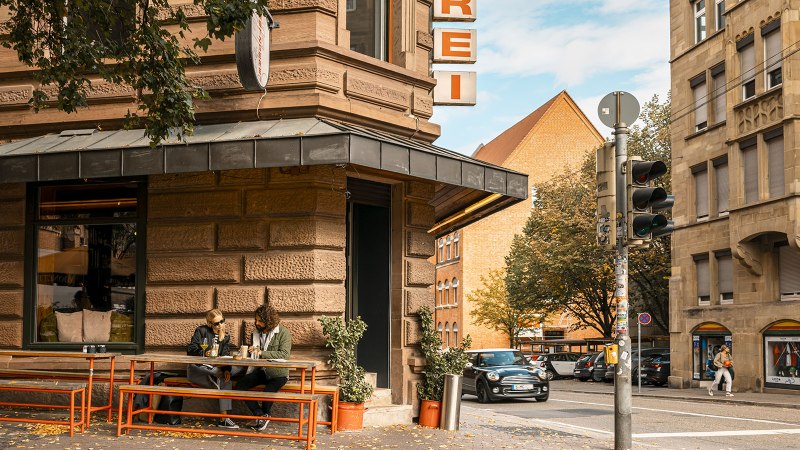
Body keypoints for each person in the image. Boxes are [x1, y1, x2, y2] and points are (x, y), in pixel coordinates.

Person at [235, 303, 292, 431]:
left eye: (260, 320)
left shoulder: (283, 333)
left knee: (267, 393)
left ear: (268, 320)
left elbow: (284, 354)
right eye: (255, 320)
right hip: (261, 370)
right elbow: (255, 353)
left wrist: (261, 352)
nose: (256, 323)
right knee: (240, 386)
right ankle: (261, 415)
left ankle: (263, 417)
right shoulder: (256, 333)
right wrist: (251, 351)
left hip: (279, 373)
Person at [187, 309, 240, 429]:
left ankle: (224, 419)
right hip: (197, 370)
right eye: (216, 323)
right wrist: (205, 352)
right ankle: (218, 381)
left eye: (222, 321)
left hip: (214, 371)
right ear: (210, 323)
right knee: (217, 373)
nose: (220, 325)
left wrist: (227, 369)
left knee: (227, 378)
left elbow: (225, 355)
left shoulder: (225, 337)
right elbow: (191, 349)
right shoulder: (201, 331)